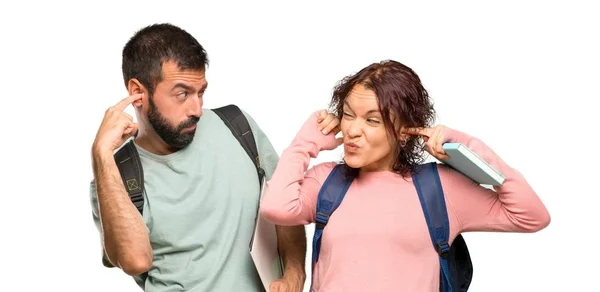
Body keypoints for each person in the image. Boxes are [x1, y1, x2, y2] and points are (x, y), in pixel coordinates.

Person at [259, 59, 551, 291]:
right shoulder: (327, 181)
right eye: (348, 115)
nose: (352, 130)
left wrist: (464, 146)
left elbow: (530, 215)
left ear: (403, 132)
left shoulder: (440, 188)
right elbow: (276, 208)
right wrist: (305, 142)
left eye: (372, 120)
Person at [89, 23, 306, 292]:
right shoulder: (115, 175)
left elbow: (286, 208)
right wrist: (101, 154)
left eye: (200, 92)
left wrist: (295, 273)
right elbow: (134, 260)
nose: (197, 109)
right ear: (138, 93)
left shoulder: (238, 126)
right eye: (182, 94)